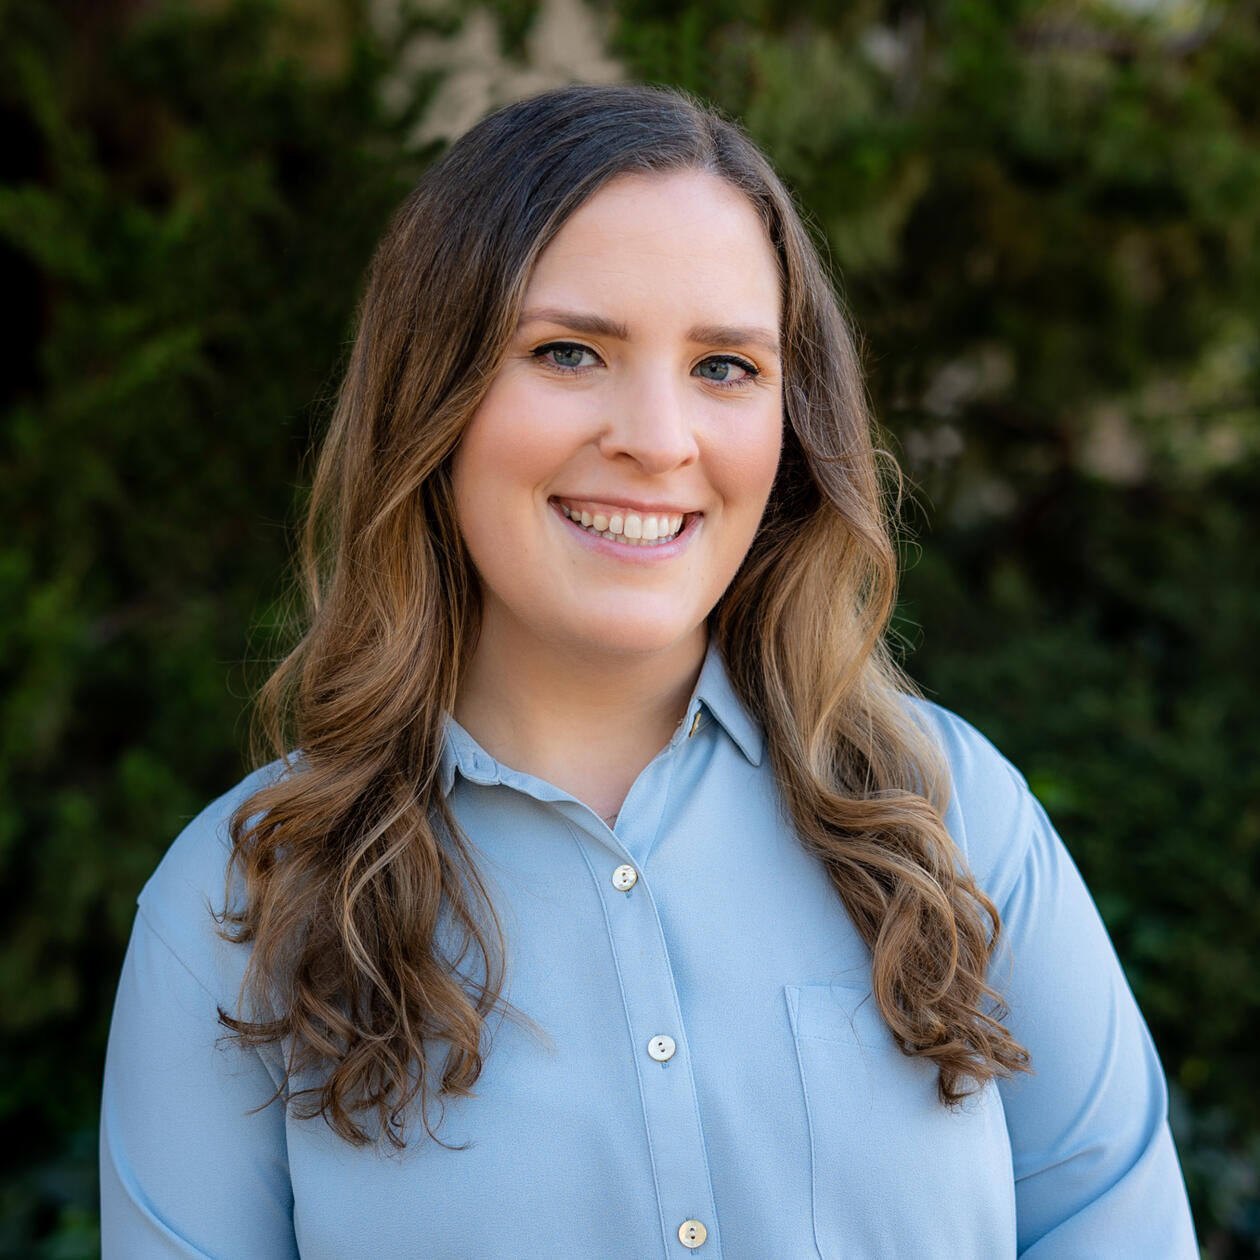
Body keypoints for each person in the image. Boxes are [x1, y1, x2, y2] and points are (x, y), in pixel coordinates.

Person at [99, 83, 1197, 1258]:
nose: (659, 438)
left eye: (725, 366)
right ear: (434, 396)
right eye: (569, 352)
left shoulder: (957, 819)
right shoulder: (236, 913)